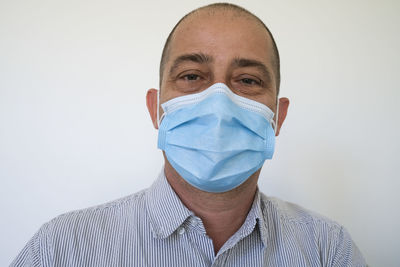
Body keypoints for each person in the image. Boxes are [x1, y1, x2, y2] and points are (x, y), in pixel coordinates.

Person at [11, 3, 366, 266]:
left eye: (247, 81)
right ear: (156, 109)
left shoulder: (327, 249)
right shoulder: (61, 248)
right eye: (192, 76)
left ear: (278, 117)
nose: (218, 103)